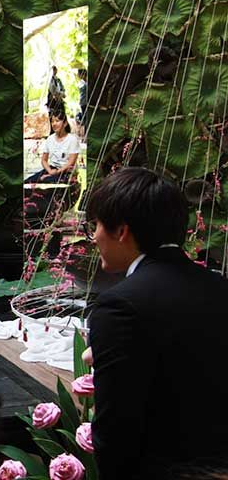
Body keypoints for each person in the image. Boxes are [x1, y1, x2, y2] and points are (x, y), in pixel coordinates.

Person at [85, 167, 228, 479]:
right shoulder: (220, 288)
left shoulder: (119, 306)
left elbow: (116, 430)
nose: (94, 237)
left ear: (121, 231)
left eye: (95, 225)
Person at [24, 108, 79, 184]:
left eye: (57, 121)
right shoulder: (50, 139)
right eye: (52, 121)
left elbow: (71, 163)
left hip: (66, 172)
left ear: (65, 123)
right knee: (27, 181)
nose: (54, 124)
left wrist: (56, 172)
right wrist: (49, 171)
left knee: (47, 181)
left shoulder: (72, 139)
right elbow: (44, 160)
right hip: (51, 169)